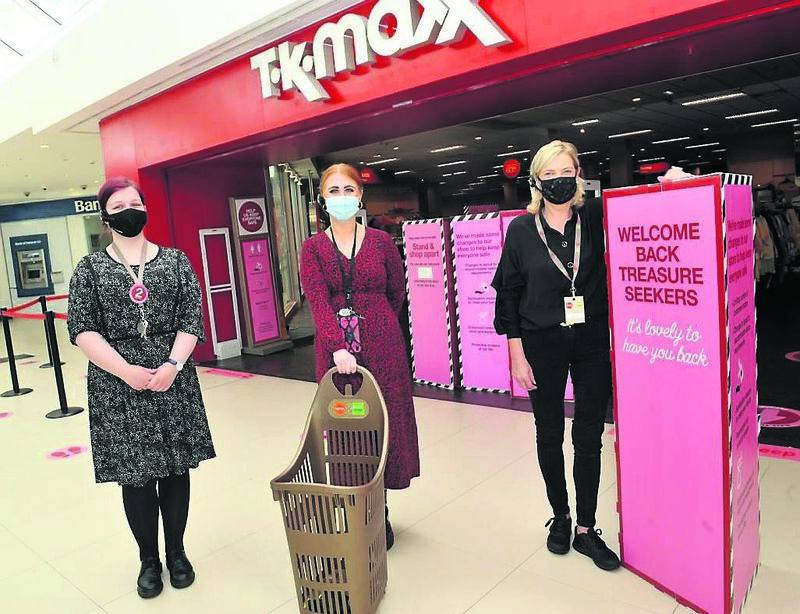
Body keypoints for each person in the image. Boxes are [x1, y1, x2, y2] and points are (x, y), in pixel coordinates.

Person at [67, 177, 216, 598]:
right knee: (135, 476)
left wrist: (173, 362)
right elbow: (82, 330)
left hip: (173, 378)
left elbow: (191, 318)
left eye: (135, 202)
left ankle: (177, 552)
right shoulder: (90, 269)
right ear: (105, 216)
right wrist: (124, 369)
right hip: (119, 386)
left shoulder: (175, 262)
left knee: (175, 469)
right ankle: (148, 559)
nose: (129, 209)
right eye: (119, 204)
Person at [491, 140, 621, 571]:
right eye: (550, 174)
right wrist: (515, 352)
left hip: (589, 342)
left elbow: (644, 218)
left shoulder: (597, 217)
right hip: (539, 342)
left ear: (579, 174)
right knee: (549, 433)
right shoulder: (522, 231)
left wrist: (675, 185)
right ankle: (560, 518)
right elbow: (508, 295)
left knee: (588, 436)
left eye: (567, 171)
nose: (560, 180)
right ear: (536, 181)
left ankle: (586, 528)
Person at [300, 163, 420, 550]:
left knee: (383, 422)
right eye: (333, 191)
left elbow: (397, 293)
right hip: (335, 352)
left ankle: (380, 508)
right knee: (346, 426)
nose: (341, 198)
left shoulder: (383, 242)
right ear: (322, 199)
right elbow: (317, 301)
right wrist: (338, 344)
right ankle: (356, 509)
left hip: (383, 344)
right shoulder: (313, 249)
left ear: (360, 196)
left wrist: (378, 324)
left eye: (348, 189)